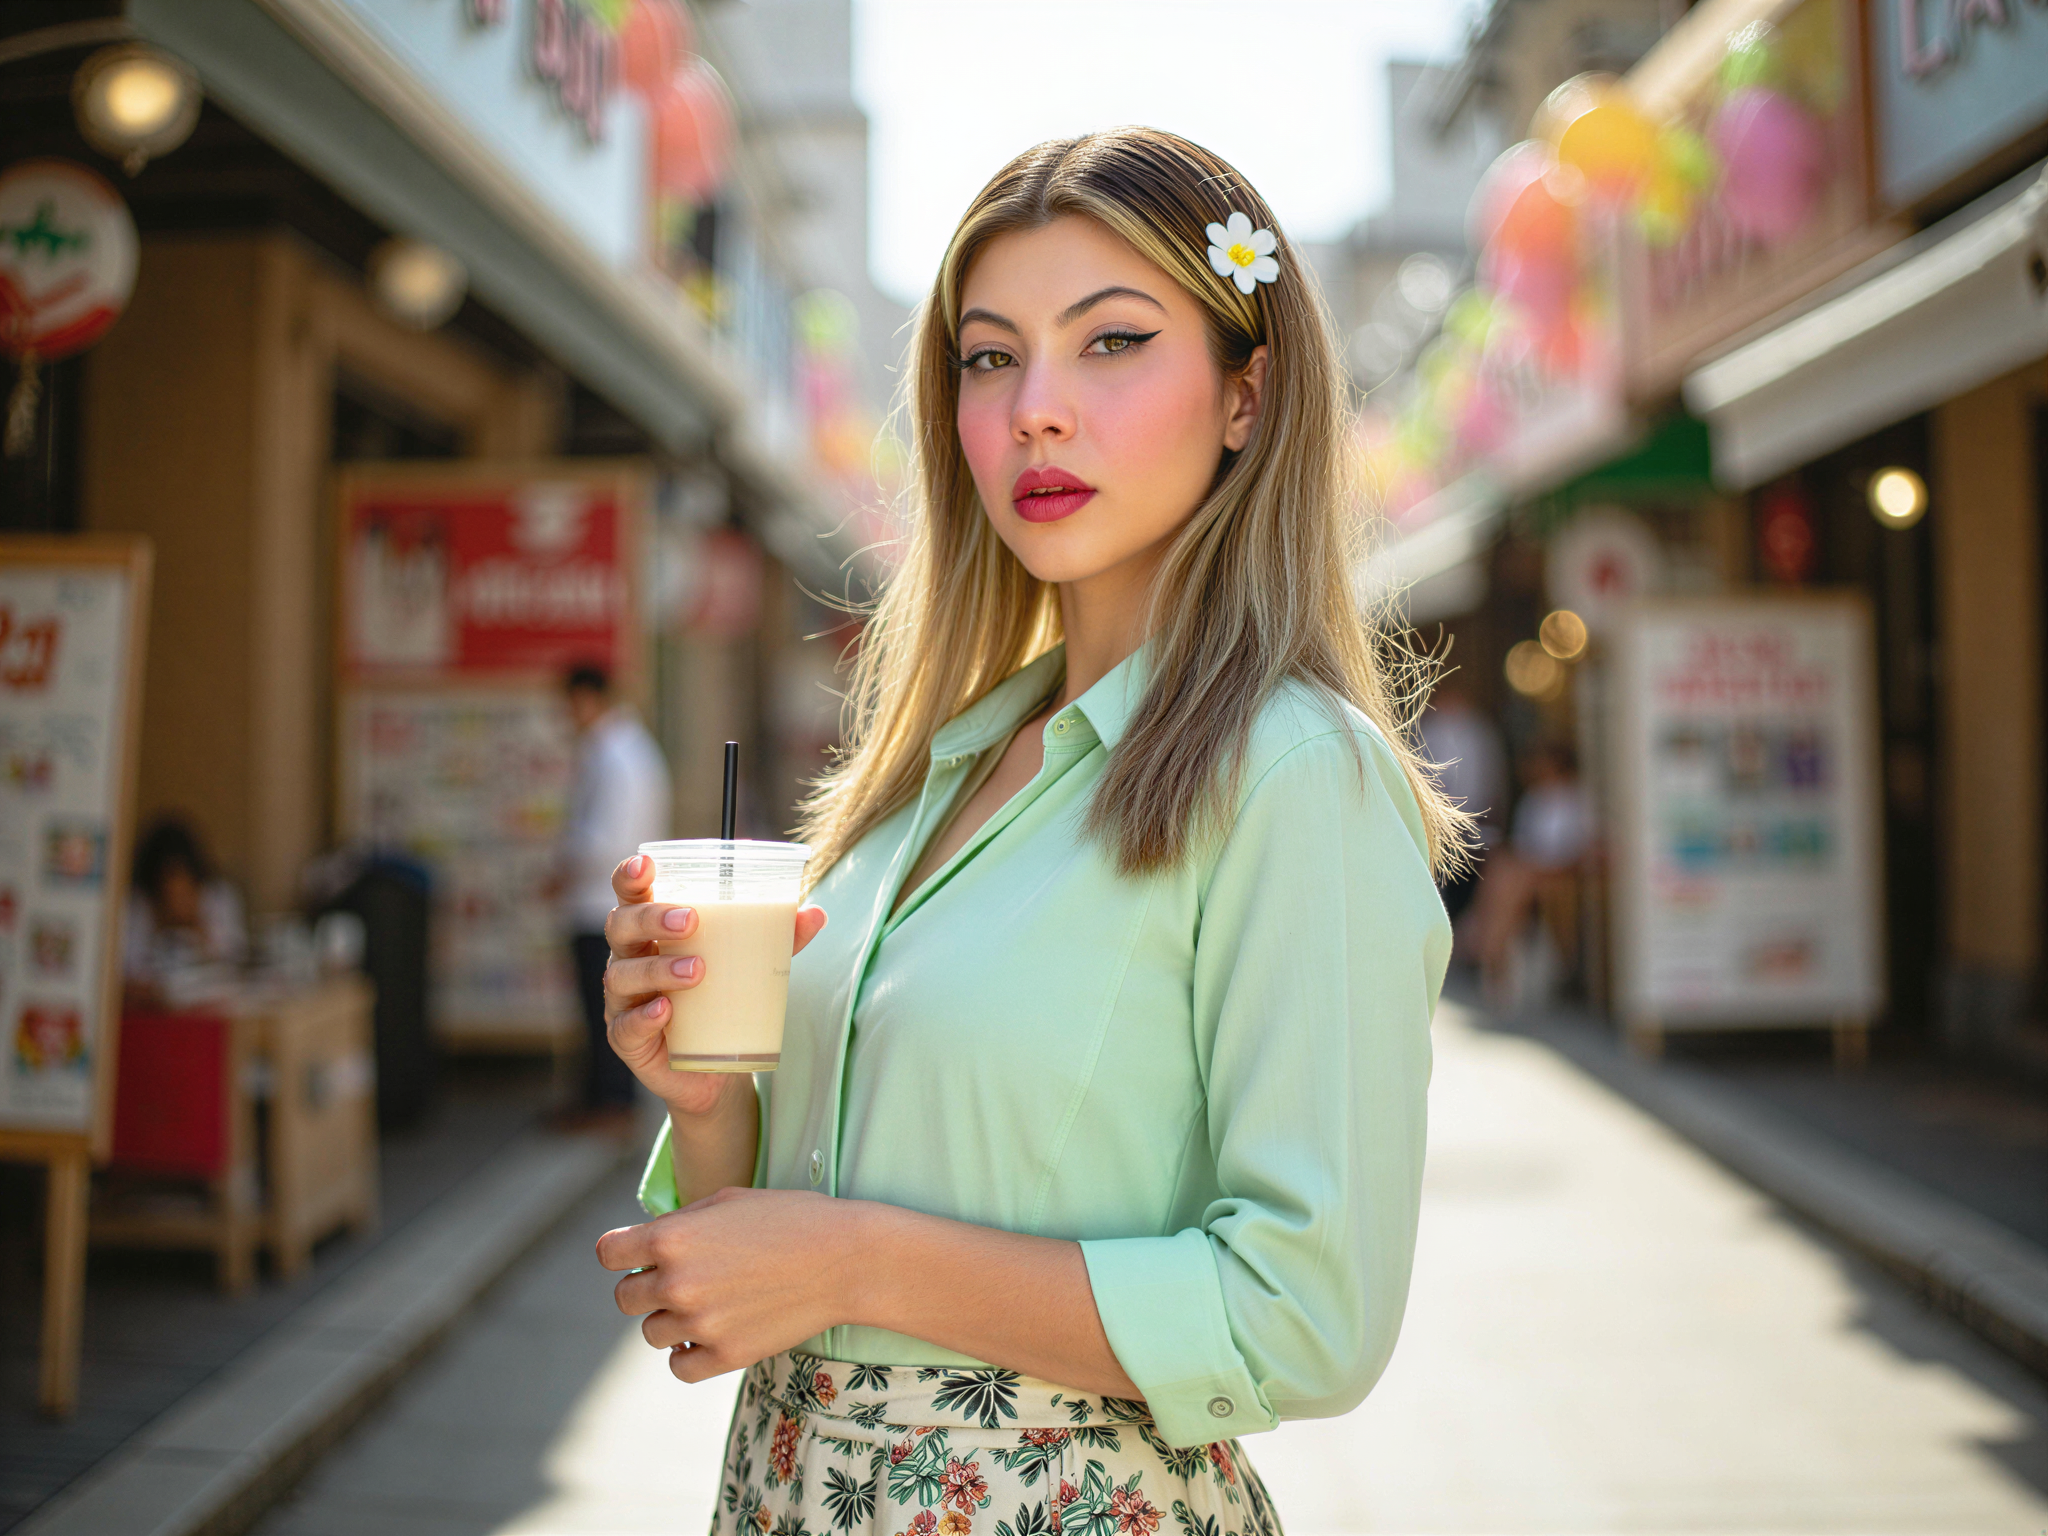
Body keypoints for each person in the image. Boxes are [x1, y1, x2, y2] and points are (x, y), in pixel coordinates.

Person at [592, 129, 1466, 1536]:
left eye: (1111, 342)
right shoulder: (931, 770)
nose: (1035, 412)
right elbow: (774, 1248)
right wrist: (704, 1089)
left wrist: (860, 1265)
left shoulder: (1294, 775)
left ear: (1248, 396)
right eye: (989, 357)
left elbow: (1309, 1318)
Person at [555, 662, 670, 1134]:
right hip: (610, 900)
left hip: (599, 901)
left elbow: (606, 837)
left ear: (585, 698)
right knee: (604, 1006)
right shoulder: (630, 748)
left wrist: (562, 868)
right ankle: (603, 1102)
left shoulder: (613, 753)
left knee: (602, 1007)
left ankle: (610, 1105)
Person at [124, 815, 247, 1004]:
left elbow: (236, 963)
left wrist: (196, 924)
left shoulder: (217, 895)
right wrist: (160, 922)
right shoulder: (137, 905)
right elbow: (125, 971)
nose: (175, 893)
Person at [1417, 668, 1504, 924]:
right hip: (1439, 820)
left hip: (1476, 818)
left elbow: (1490, 777)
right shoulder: (1429, 730)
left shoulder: (1479, 730)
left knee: (1475, 880)